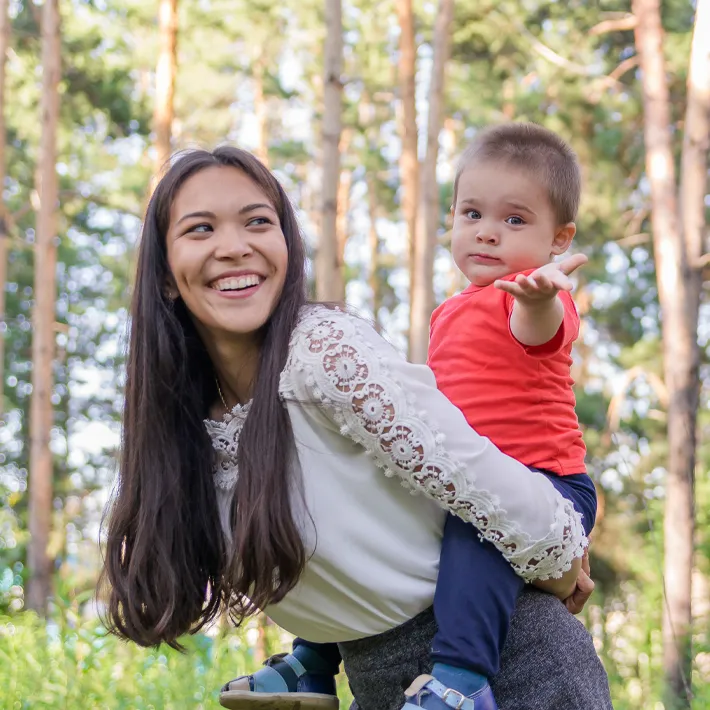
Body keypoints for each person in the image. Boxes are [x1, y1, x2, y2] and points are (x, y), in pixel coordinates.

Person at [100, 146, 607, 710]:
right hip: (381, 682)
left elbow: (490, 485)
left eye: (257, 222)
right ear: (165, 276)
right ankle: (310, 663)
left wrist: (559, 563)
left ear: (287, 249)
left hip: (514, 672)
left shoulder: (328, 353)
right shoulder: (186, 422)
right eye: (200, 229)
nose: (234, 245)